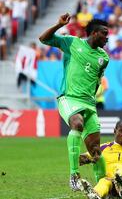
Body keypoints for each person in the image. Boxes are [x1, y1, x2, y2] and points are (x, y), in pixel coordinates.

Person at [39, 13, 109, 191]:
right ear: (94, 33)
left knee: (95, 150)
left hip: (89, 103)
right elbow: (43, 39)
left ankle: (104, 187)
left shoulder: (104, 58)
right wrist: (58, 24)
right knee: (76, 123)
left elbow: (96, 81)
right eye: (104, 34)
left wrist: (91, 99)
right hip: (68, 98)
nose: (107, 38)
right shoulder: (72, 43)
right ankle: (74, 175)